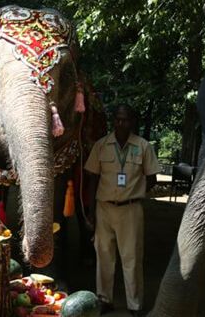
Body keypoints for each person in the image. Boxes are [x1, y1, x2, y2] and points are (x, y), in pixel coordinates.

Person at [84, 104, 161, 315]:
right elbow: (93, 179)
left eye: (125, 120)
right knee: (104, 256)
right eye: (118, 119)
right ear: (113, 121)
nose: (121, 123)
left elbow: (152, 178)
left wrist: (134, 191)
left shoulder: (143, 146)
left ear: (132, 122)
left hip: (131, 210)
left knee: (132, 258)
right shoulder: (101, 146)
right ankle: (104, 300)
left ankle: (134, 305)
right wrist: (91, 213)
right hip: (104, 208)